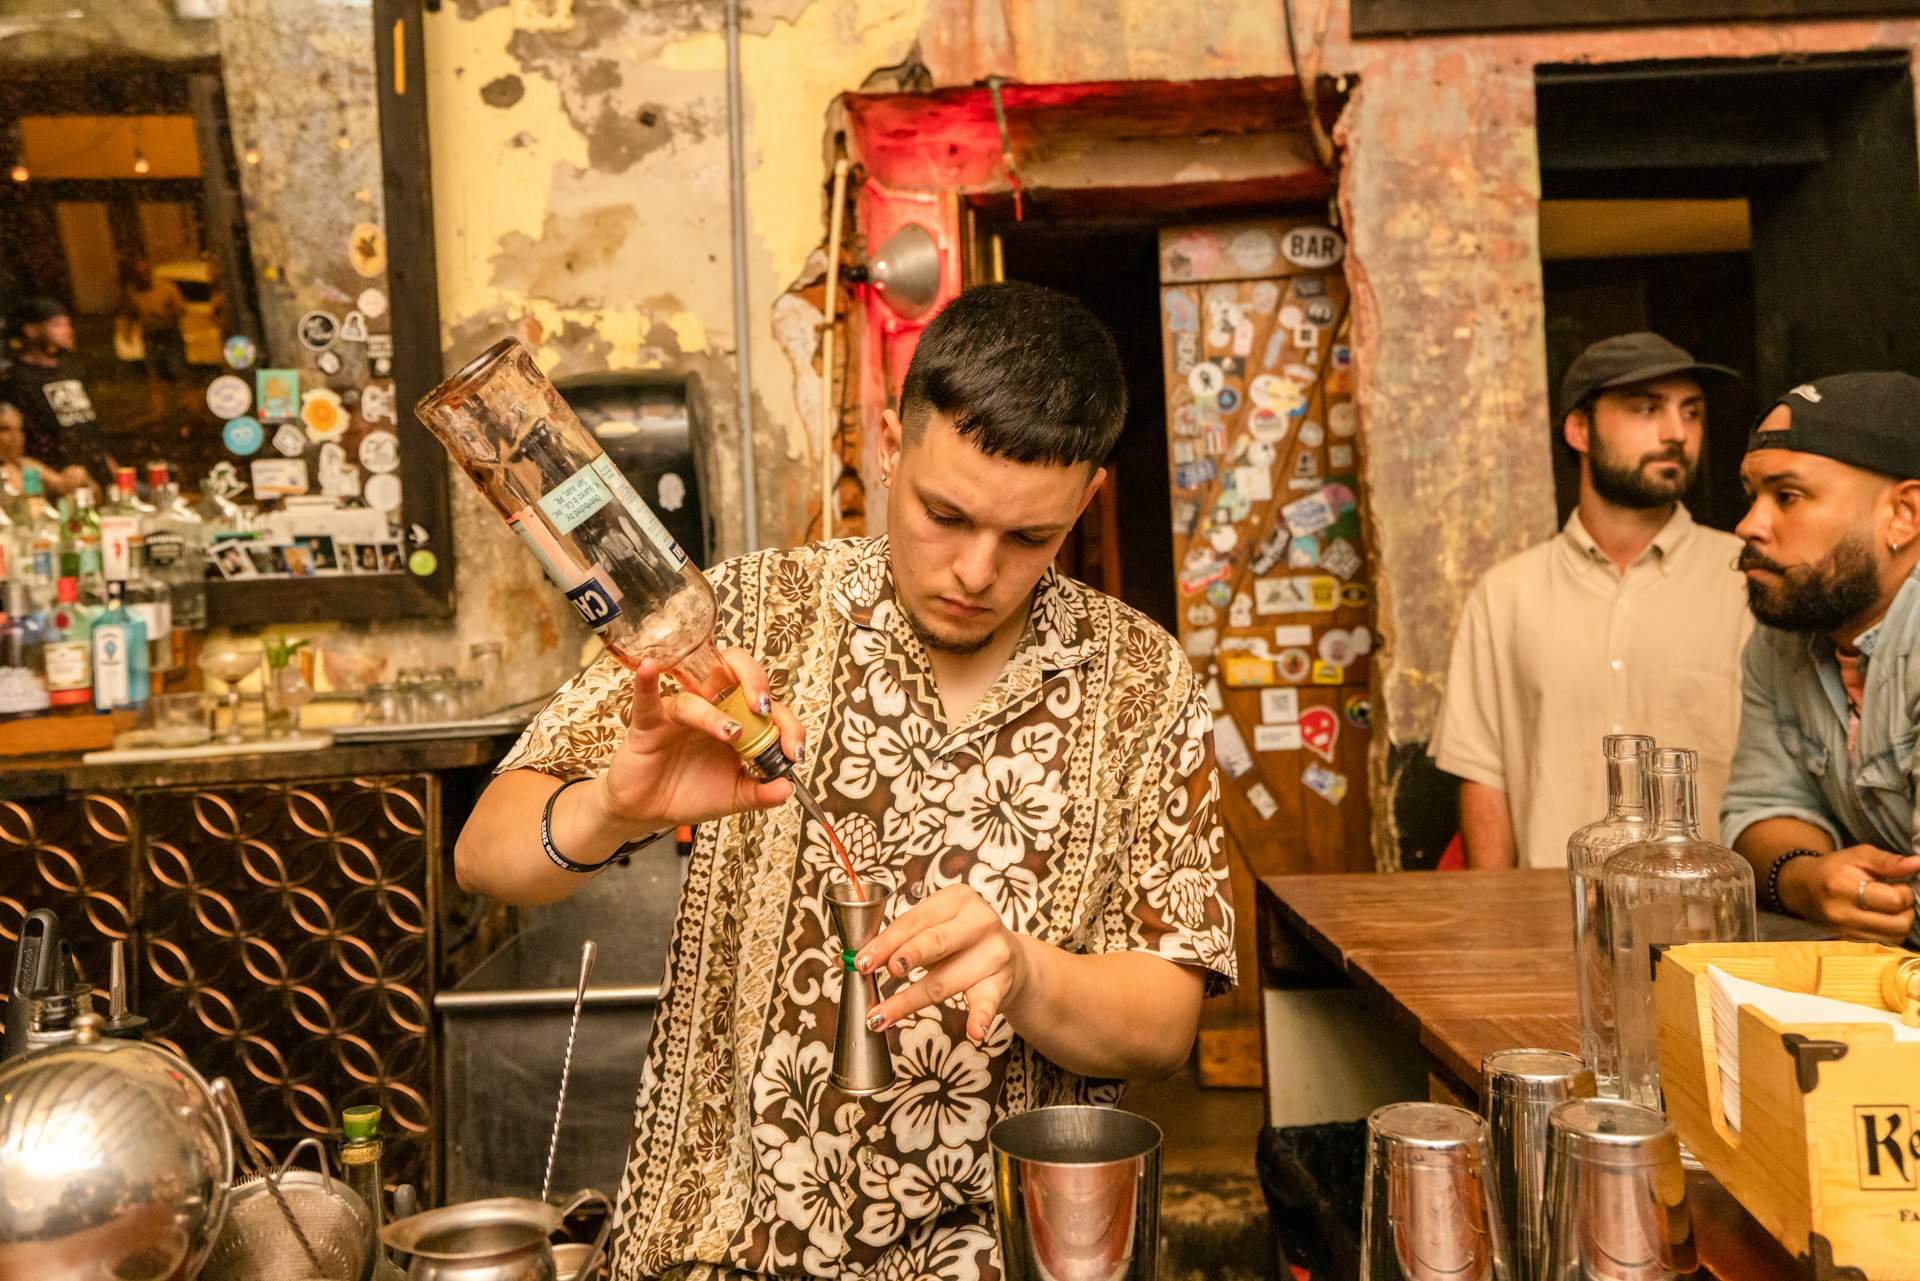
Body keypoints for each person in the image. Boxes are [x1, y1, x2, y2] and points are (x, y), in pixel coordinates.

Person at [457, 282, 1235, 1280]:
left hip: (992, 1257)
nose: (975, 570)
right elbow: (484, 855)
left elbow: (1167, 1024)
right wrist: (611, 806)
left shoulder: (1136, 676)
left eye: (1029, 539)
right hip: (715, 1254)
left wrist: (1028, 972)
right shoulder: (745, 616)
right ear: (888, 441)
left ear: (1086, 499)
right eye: (943, 515)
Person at [1431, 332, 1752, 868]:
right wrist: (1497, 925)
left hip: (1715, 927)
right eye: (1647, 409)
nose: (1678, 433)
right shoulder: (1506, 594)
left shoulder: (1748, 578)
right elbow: (1483, 776)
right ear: (1579, 429)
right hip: (1551, 916)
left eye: (1691, 412)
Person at [1721, 373, 1920, 946]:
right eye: (1751, 494)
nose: (1749, 525)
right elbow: (1759, 810)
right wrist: (1807, 878)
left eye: (1787, 497)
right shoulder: (1784, 636)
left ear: (1903, 515)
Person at [1, 298, 114, 489]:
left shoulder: (72, 370)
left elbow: (88, 426)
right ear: (31, 330)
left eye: (68, 324)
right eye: (57, 324)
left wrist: (112, 467)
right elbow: (12, 439)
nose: (67, 330)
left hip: (98, 475)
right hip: (58, 482)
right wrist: (53, 481)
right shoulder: (15, 379)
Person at [0, 401, 89, 498]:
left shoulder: (26, 466)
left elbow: (64, 487)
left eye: (20, 430)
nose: (15, 437)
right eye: (5, 429)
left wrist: (79, 477)